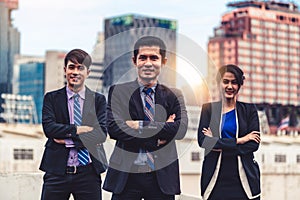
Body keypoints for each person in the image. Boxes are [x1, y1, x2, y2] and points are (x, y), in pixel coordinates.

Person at [103, 36, 188, 200]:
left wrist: (139, 125)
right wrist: (161, 130)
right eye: (143, 57)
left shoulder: (174, 96)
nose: (148, 63)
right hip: (127, 178)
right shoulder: (119, 92)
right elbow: (114, 129)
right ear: (134, 61)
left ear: (163, 61)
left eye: (154, 58)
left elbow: (181, 130)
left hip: (161, 178)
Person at [40, 49, 107, 200]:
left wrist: (67, 139)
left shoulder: (99, 100)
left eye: (80, 68)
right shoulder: (51, 98)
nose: (75, 72)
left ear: (88, 72)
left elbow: (101, 134)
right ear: (65, 70)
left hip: (89, 172)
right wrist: (78, 129)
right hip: (57, 171)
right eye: (71, 67)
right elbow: (49, 129)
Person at [198, 64, 261, 200]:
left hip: (244, 180)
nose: (230, 86)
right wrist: (239, 140)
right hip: (215, 180)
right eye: (225, 82)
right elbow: (203, 141)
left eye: (234, 82)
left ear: (239, 85)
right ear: (219, 83)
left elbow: (253, 145)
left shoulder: (249, 110)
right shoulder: (208, 110)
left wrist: (217, 144)